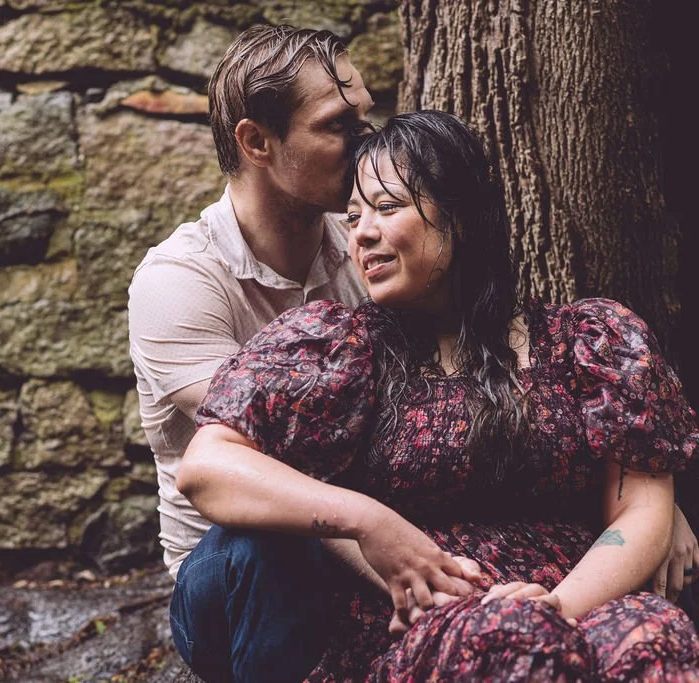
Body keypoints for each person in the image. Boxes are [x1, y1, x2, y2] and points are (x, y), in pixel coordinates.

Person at [179, 110, 699, 680]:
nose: (361, 234)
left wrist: (557, 607)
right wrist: (370, 522)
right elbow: (206, 467)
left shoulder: (587, 341)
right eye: (352, 217)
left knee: (654, 636)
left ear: (462, 215)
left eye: (386, 207)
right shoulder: (340, 351)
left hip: (580, 601)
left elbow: (641, 507)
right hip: (423, 624)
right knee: (510, 640)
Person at [126, 24, 448, 683]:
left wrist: (637, 492)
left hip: (376, 540)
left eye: (366, 116)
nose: (366, 142)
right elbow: (275, 462)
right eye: (337, 125)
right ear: (256, 142)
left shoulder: (369, 247)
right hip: (233, 578)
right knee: (268, 538)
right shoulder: (178, 281)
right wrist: (398, 557)